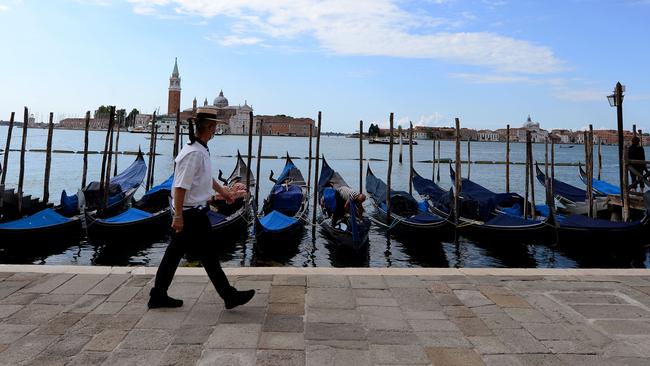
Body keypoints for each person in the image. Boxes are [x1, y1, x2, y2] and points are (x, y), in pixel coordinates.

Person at [148, 108, 255, 309]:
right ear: (210, 127)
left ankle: (158, 295)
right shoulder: (194, 153)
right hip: (190, 215)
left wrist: (223, 192)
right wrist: (178, 216)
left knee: (182, 255)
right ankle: (228, 296)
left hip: (193, 212)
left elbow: (205, 177)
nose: (215, 131)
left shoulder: (200, 149)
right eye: (215, 127)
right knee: (204, 256)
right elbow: (180, 187)